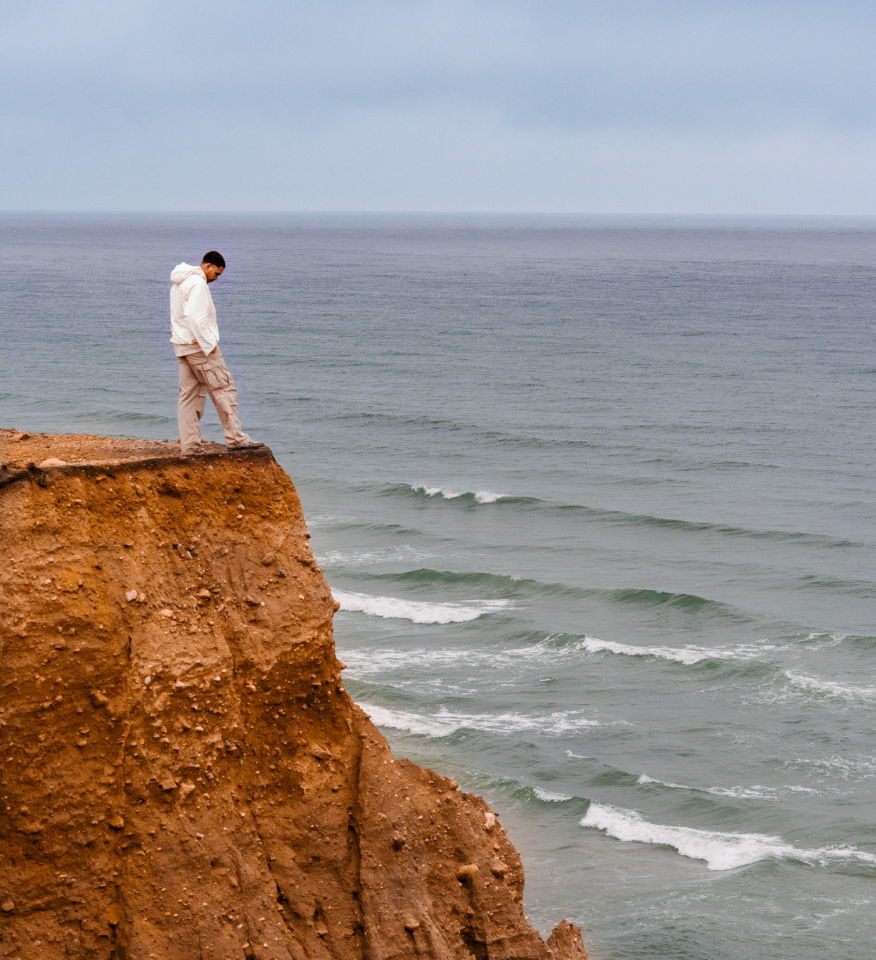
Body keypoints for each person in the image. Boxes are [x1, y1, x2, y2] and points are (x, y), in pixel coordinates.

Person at [169, 251, 263, 455]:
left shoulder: (180, 281)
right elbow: (195, 317)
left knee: (188, 397)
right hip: (199, 347)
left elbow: (180, 315)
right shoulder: (197, 283)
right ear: (208, 266)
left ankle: (190, 446)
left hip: (183, 346)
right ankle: (236, 439)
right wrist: (209, 344)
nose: (216, 278)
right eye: (216, 273)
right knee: (224, 389)